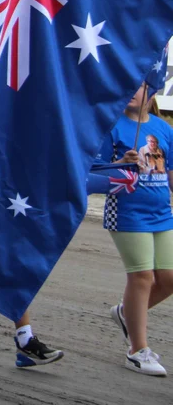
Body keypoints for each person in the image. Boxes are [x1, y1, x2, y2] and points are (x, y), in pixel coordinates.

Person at [96, 84, 173, 376]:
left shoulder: (163, 129)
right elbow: (95, 169)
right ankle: (137, 350)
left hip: (162, 214)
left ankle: (125, 313)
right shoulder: (112, 127)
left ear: (151, 94)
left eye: (139, 87)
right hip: (127, 213)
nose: (131, 90)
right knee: (142, 277)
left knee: (169, 278)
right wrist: (120, 164)